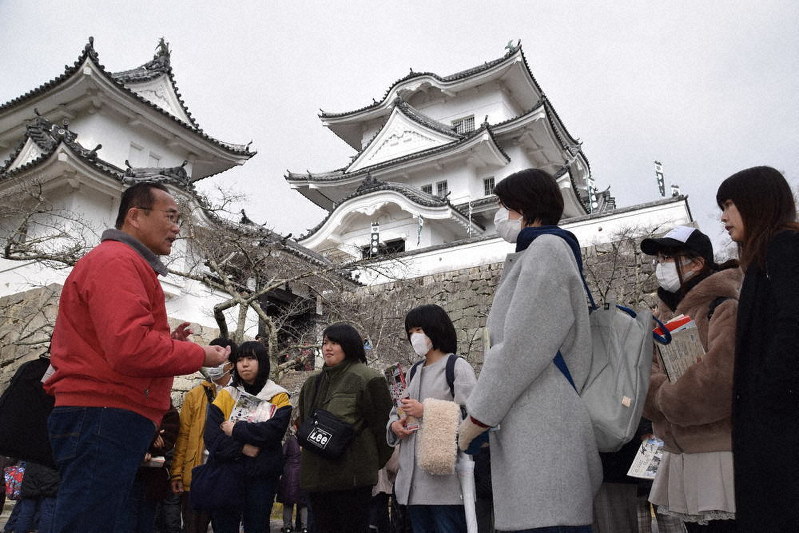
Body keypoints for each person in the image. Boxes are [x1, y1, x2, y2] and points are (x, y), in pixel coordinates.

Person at [42, 181, 230, 533]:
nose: (177, 228)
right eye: (170, 216)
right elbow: (131, 348)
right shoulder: (118, 261)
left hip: (104, 410)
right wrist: (200, 353)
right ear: (135, 216)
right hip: (104, 411)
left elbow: (117, 343)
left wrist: (168, 343)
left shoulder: (122, 262)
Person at [457, 168, 602, 532]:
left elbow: (519, 348)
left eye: (503, 205)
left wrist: (476, 418)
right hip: (541, 426)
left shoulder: (546, 251)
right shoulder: (545, 251)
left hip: (544, 432)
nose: (499, 215)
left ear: (524, 207)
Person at [715, 166, 799, 532]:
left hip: (781, 429)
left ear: (757, 202)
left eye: (729, 204)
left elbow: (793, 325)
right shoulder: (766, 257)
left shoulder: (785, 246)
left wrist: (766, 393)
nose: (723, 217)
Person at [640, 226, 740, 531]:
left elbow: (718, 383)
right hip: (677, 456)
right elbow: (643, 376)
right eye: (658, 259)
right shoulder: (662, 317)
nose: (661, 265)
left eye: (668, 258)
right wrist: (663, 392)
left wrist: (663, 395)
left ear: (697, 263)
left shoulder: (723, 307)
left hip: (719, 456)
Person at [388, 304, 477, 532]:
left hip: (446, 483)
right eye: (410, 332)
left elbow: (472, 416)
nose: (414, 337)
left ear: (436, 329)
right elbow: (398, 409)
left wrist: (426, 411)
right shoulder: (413, 371)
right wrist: (395, 424)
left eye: (419, 330)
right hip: (413, 484)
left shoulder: (457, 366)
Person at [297, 323, 394, 533]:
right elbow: (304, 423)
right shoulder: (311, 383)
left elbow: (384, 429)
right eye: (325, 343)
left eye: (334, 343)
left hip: (353, 480)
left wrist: (367, 464)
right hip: (316, 477)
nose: (327, 348)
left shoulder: (368, 378)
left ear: (349, 345)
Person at [204, 340, 292, 533]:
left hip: (262, 476)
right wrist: (242, 448)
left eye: (251, 359)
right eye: (240, 360)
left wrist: (235, 430)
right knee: (224, 526)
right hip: (227, 473)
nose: (244, 364)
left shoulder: (278, 396)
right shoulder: (226, 395)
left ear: (262, 362)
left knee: (257, 525)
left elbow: (273, 432)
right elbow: (212, 437)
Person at [170, 337, 237, 533]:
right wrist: (177, 472)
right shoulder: (195, 394)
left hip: (227, 476)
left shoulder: (240, 395)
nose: (215, 365)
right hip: (197, 475)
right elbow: (183, 436)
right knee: (193, 526)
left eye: (221, 360)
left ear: (231, 365)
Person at [117, 404, 180, 533]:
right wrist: (151, 437)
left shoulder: (168, 411)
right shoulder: (127, 405)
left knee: (148, 523)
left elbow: (167, 438)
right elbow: (123, 433)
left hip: (152, 484)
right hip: (126, 481)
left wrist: (145, 446)